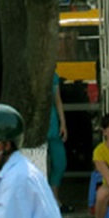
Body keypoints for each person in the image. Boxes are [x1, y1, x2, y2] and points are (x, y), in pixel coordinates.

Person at [47, 71, 69, 208]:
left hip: (53, 123)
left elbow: (58, 100)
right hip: (35, 125)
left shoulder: (52, 76)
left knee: (60, 162)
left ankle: (54, 196)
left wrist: (63, 123)